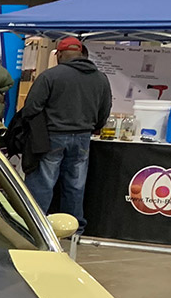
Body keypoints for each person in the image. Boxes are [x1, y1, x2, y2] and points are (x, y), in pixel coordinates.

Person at [21, 37, 113, 226]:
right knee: (76, 184)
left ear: (60, 54)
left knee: (44, 182)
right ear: (81, 54)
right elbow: (105, 111)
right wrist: (93, 126)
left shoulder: (50, 76)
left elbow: (30, 108)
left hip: (52, 137)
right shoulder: (101, 78)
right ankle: (74, 228)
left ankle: (36, 226)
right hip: (83, 137)